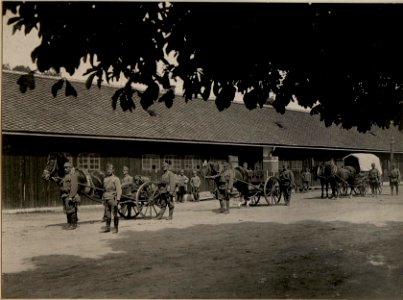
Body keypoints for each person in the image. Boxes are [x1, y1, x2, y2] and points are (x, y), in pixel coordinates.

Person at [57, 161, 81, 230]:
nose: (65, 169)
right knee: (68, 210)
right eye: (64, 168)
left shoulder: (72, 176)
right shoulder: (65, 176)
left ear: (70, 168)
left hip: (70, 196)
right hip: (65, 195)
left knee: (71, 210)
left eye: (67, 168)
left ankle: (73, 224)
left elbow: (74, 187)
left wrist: (71, 196)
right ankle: (69, 223)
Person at [102, 163, 122, 233]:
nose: (108, 171)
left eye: (110, 169)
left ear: (113, 170)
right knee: (107, 215)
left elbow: (119, 190)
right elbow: (104, 190)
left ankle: (116, 228)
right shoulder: (105, 179)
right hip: (106, 198)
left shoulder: (116, 179)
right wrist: (103, 199)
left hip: (113, 199)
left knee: (115, 214)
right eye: (107, 169)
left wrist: (118, 199)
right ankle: (107, 228)